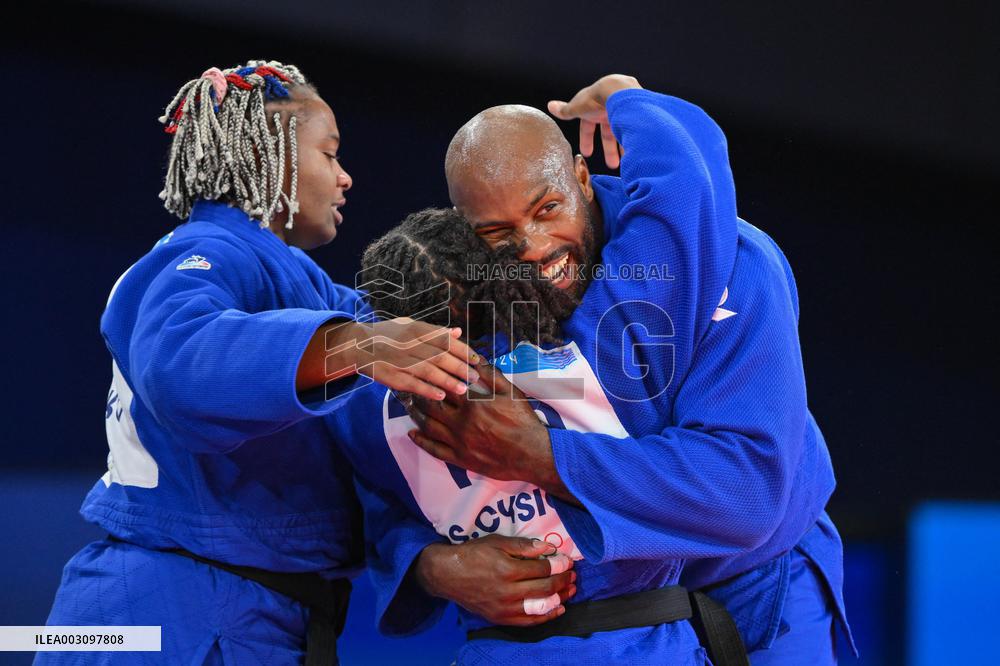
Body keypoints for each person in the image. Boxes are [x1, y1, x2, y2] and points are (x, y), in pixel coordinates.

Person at [39, 60, 479, 665]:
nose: (347, 177)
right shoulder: (203, 252)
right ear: (272, 158)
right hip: (168, 609)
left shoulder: (308, 290)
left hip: (223, 607)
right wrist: (359, 347)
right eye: (330, 155)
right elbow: (179, 362)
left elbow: (389, 354)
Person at [406, 75, 855, 664]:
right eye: (496, 233)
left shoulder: (734, 263)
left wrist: (540, 455)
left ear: (583, 180)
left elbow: (744, 489)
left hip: (755, 580)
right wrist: (433, 566)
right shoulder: (472, 294)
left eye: (548, 209)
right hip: (611, 613)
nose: (535, 246)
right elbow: (388, 457)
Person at [327, 207, 708, 664]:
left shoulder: (363, 408)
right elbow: (677, 222)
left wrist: (432, 566)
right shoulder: (589, 351)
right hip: (641, 645)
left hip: (497, 650)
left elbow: (379, 516)